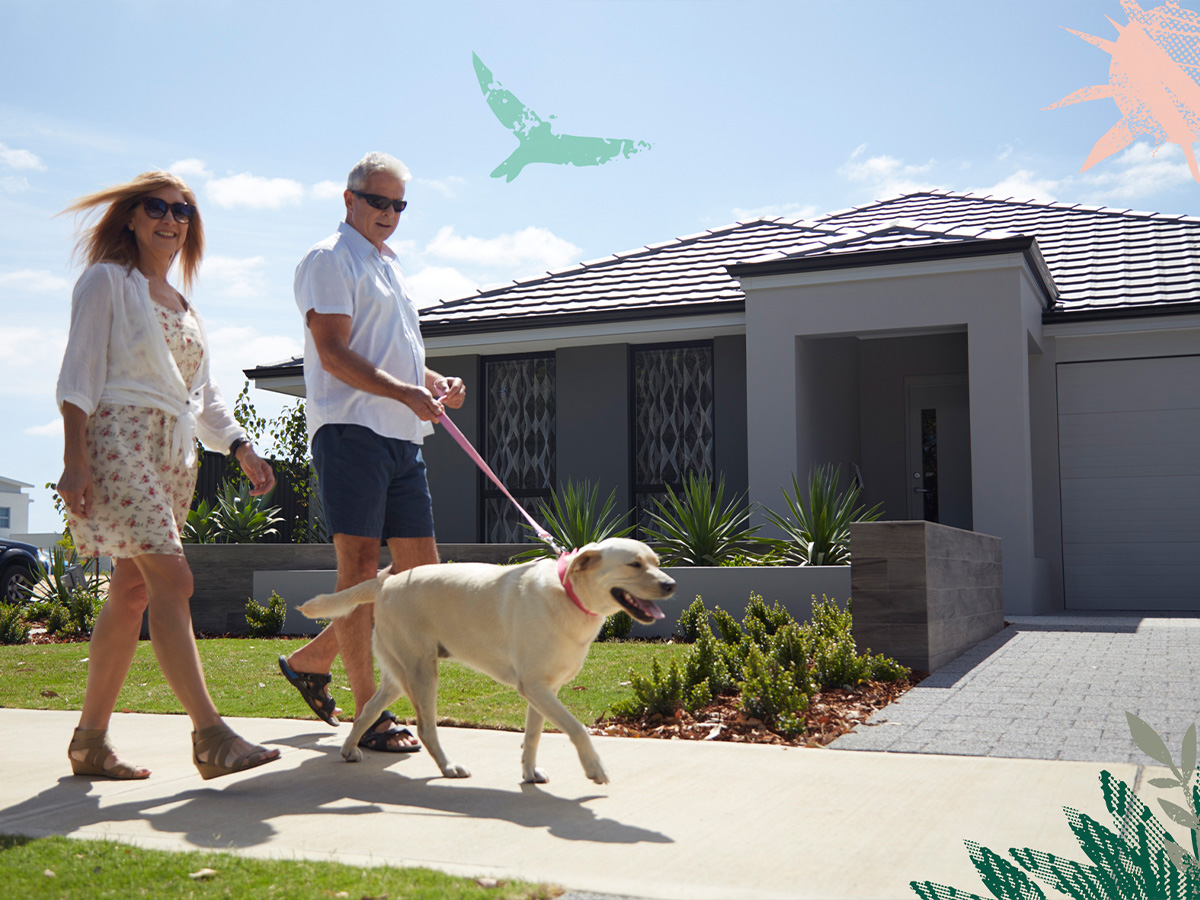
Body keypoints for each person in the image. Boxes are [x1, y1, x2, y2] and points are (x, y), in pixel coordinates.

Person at [55, 171, 282, 780]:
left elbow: (202, 398)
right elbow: (78, 374)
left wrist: (241, 448)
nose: (170, 220)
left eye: (182, 212)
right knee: (173, 580)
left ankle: (89, 742)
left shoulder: (185, 308)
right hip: (117, 441)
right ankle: (211, 736)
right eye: (156, 208)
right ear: (131, 217)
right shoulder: (106, 280)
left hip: (173, 457)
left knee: (133, 591)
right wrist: (75, 458)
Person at [277, 152, 465, 753]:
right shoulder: (329, 259)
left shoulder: (390, 263)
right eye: (377, 201)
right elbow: (332, 353)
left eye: (398, 204)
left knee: (419, 575)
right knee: (359, 571)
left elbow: (394, 354)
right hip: (351, 430)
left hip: (403, 434)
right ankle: (371, 715)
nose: (388, 213)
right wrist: (405, 392)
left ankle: (312, 660)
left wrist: (432, 381)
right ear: (349, 199)